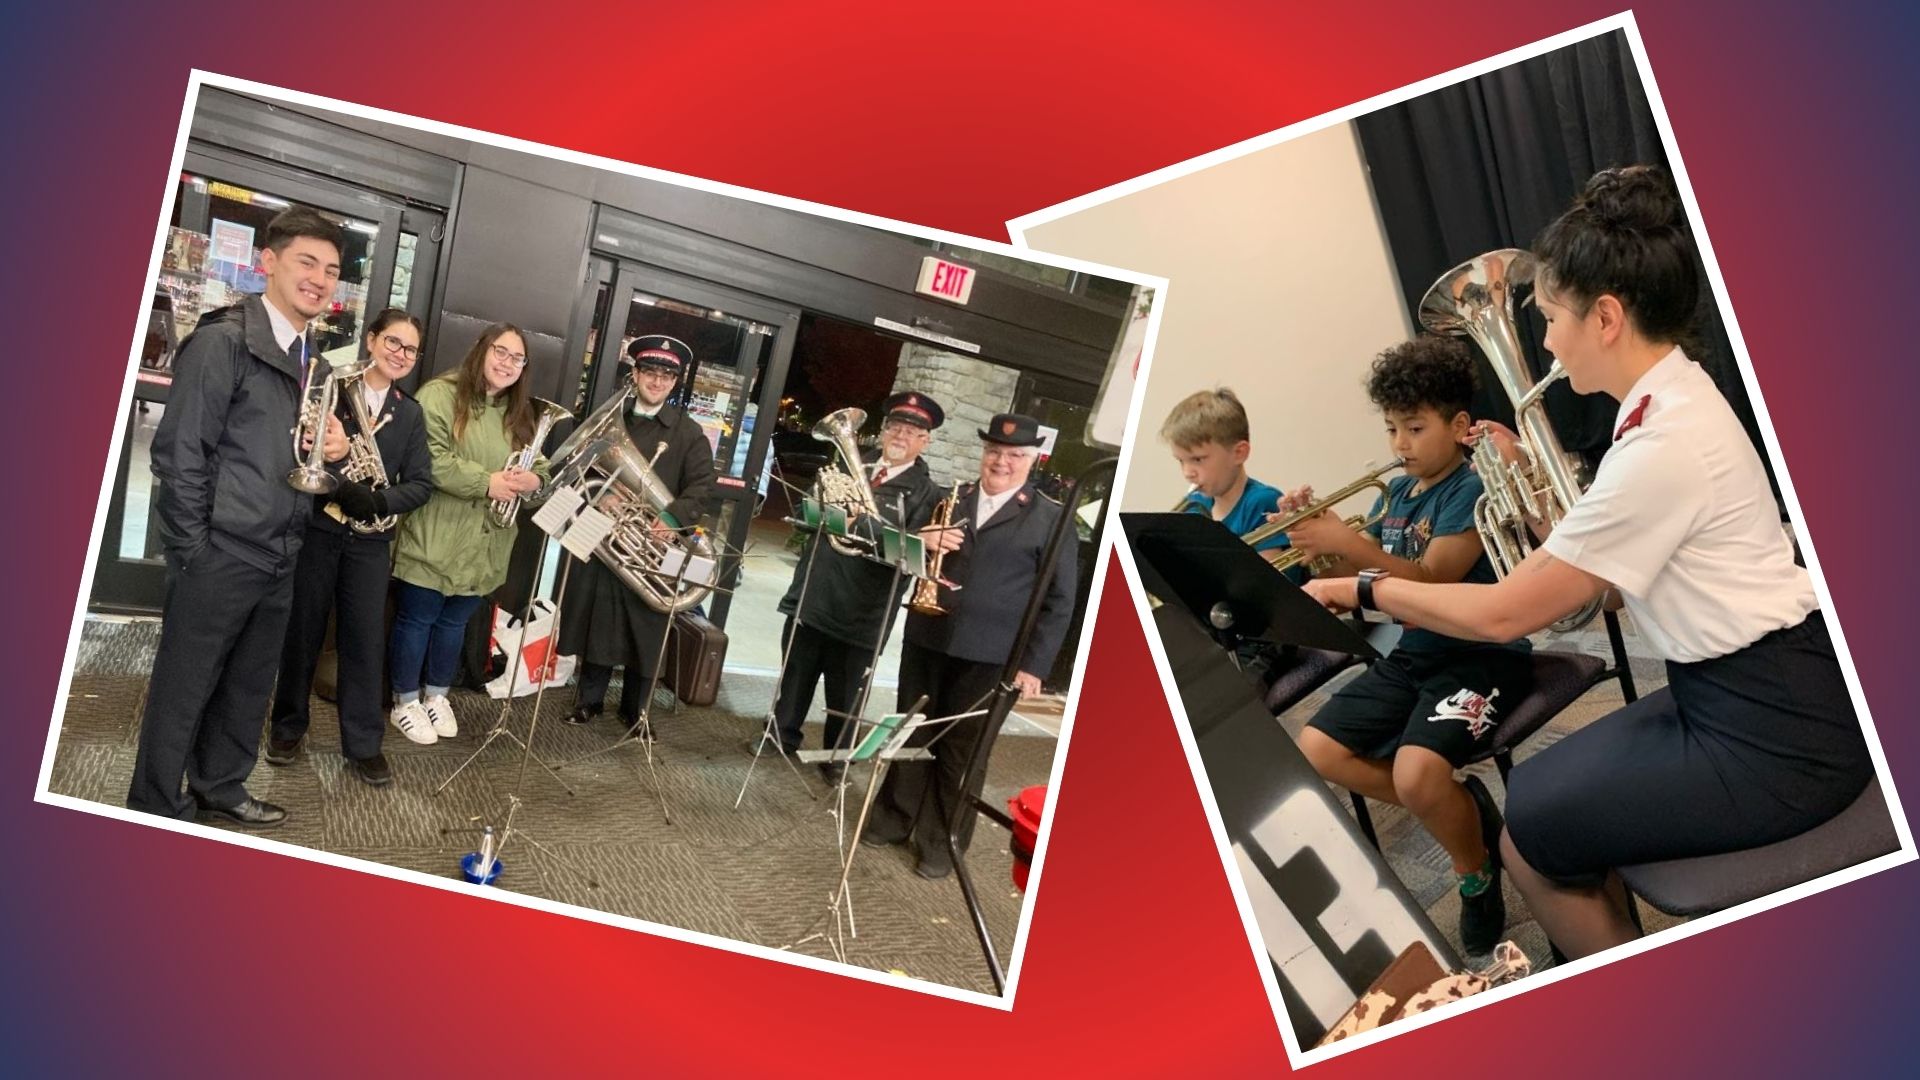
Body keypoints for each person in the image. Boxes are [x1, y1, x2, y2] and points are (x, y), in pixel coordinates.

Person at [1305, 165, 1872, 960]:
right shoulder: (1666, 405)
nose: (1542, 340)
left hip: (1773, 729)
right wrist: (1543, 510)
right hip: (1745, 687)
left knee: (1531, 831)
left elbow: (1503, 613)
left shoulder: (1662, 445)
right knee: (1537, 792)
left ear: (1605, 317)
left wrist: (1363, 586)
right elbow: (1601, 589)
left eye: (1547, 317)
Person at [1281, 336, 1533, 956]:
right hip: (1417, 655)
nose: (1399, 445)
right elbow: (1374, 572)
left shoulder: (1470, 488)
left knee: (1416, 775)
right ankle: (1465, 815)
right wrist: (1318, 533)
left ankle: (1472, 872)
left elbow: (1432, 581)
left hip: (1481, 652)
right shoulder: (1396, 494)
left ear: (1459, 426)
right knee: (1314, 750)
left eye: (1415, 428)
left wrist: (1353, 549)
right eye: (1393, 428)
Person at [127, 206, 351, 827]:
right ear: (268, 262)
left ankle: (220, 787)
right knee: (183, 690)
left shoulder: (314, 361)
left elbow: (288, 450)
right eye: (307, 262)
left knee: (248, 688)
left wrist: (328, 448)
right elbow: (180, 455)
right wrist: (193, 551)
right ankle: (153, 806)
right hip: (221, 553)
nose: (320, 278)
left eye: (331, 270)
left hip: (282, 550)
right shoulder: (224, 341)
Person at [863, 413, 1078, 879]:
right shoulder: (949, 497)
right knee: (913, 731)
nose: (1001, 462)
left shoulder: (1049, 518)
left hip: (993, 656)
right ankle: (894, 818)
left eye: (1014, 455)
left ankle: (941, 842)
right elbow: (901, 556)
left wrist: (1035, 665)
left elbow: (1060, 602)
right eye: (994, 452)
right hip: (929, 637)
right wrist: (922, 538)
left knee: (964, 750)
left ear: (1032, 460)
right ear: (984, 453)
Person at [265, 309, 435, 786]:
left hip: (370, 542)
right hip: (321, 530)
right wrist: (341, 484)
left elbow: (421, 484)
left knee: (364, 642)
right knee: (303, 633)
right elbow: (304, 451)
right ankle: (287, 727)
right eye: (392, 342)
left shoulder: (411, 413)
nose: (400, 354)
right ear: (372, 339)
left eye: (410, 349)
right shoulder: (334, 390)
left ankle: (363, 744)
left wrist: (377, 500)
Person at [763, 391, 945, 781]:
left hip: (863, 611)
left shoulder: (930, 495)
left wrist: (858, 524)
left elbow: (913, 556)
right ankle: (780, 736)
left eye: (912, 431)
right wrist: (820, 514)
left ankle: (835, 759)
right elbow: (804, 515)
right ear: (882, 431)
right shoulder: (846, 465)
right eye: (895, 426)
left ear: (925, 441)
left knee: (846, 695)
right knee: (794, 676)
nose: (901, 435)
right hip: (814, 592)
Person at [387, 324, 548, 745]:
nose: (507, 363)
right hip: (436, 533)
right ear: (481, 350)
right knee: (418, 618)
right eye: (501, 351)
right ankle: (404, 701)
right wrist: (487, 483)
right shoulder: (440, 395)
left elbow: (540, 465)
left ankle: (436, 695)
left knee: (454, 622)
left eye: (517, 358)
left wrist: (535, 479)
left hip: (486, 542)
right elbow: (428, 459)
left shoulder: (521, 413)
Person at [558, 335, 715, 730]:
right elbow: (580, 467)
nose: (657, 381)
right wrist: (604, 494)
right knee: (598, 620)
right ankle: (588, 700)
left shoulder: (688, 432)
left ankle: (636, 709)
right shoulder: (613, 419)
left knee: (647, 627)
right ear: (636, 373)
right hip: (607, 538)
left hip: (655, 548)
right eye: (650, 372)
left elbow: (702, 485)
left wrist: (674, 517)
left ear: (675, 382)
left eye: (666, 375)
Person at [1161, 388, 1295, 564]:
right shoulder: (1194, 505)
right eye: (1181, 461)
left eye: (1198, 459)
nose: (1187, 472)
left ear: (1239, 453)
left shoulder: (1262, 502)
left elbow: (1266, 583)